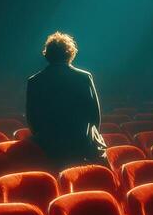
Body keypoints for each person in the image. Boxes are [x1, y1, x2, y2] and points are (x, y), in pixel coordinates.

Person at [26, 32, 108, 169]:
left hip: (49, 146)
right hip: (81, 144)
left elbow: (32, 117)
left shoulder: (34, 81)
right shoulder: (84, 77)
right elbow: (95, 114)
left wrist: (44, 140)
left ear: (47, 54)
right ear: (70, 53)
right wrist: (90, 138)